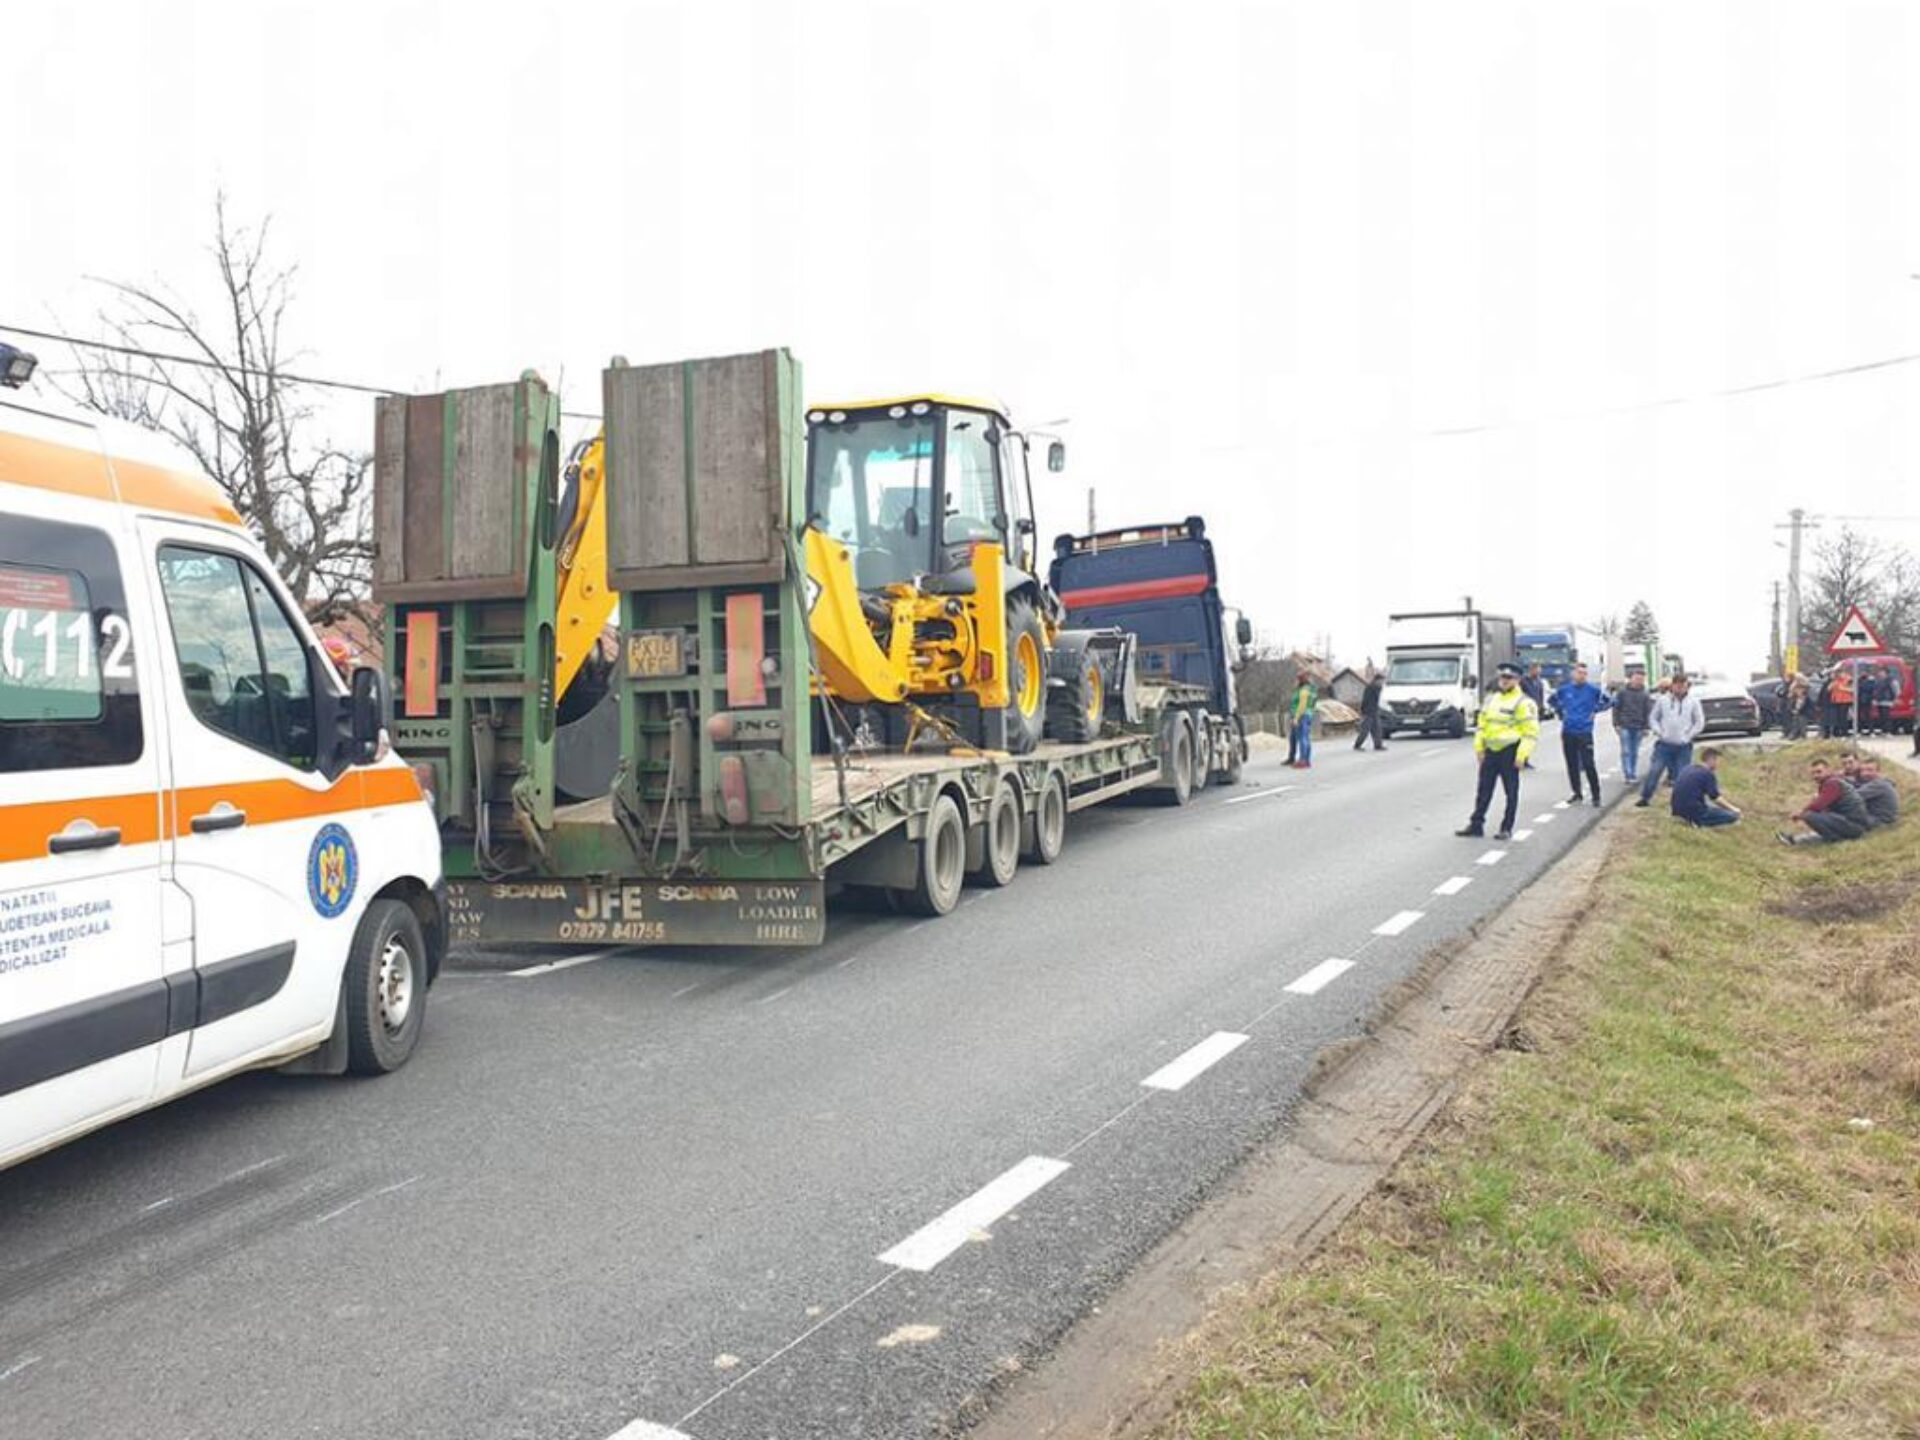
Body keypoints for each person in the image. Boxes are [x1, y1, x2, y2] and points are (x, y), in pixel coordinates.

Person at [1455, 662, 1540, 840]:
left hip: (1510, 750)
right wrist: (1479, 747)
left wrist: (1522, 755)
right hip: (1491, 750)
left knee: (1511, 791)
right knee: (1483, 790)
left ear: (1517, 680)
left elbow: (1530, 732)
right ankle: (1476, 824)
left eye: (1509, 678)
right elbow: (1482, 725)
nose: (1505, 681)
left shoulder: (1524, 703)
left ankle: (1506, 827)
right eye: (1502, 677)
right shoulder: (1491, 699)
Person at [1636, 673, 1705, 806]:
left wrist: (1689, 735)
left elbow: (1699, 721)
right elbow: (1653, 718)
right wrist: (1659, 732)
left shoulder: (1693, 702)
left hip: (1683, 746)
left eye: (1683, 686)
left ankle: (1681, 800)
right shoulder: (1663, 700)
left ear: (1687, 687)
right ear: (1672, 686)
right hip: (1664, 744)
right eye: (1677, 686)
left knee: (1682, 775)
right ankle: (1645, 797)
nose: (1680, 689)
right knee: (1655, 770)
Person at [1551, 661, 1612, 806]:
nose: (1582, 676)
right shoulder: (1565, 690)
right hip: (1568, 730)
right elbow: (1552, 700)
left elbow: (1609, 701)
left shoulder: (1593, 690)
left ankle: (1596, 795)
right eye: (1579, 673)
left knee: (1589, 764)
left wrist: (1595, 710)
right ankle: (1576, 792)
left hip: (1584, 731)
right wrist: (1561, 711)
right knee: (1572, 764)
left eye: (1584, 673)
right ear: (1573, 674)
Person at [1778, 756, 1872, 845]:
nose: (1816, 776)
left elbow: (1818, 805)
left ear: (1828, 770)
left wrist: (1800, 813)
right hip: (1850, 823)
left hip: (1854, 825)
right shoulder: (1832, 782)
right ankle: (1796, 839)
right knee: (1816, 816)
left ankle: (1834, 839)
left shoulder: (1832, 783)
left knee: (1809, 815)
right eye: (1813, 773)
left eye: (1819, 772)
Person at [1670, 747, 1740, 827]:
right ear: (1711, 759)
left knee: (1712, 808)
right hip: (1694, 812)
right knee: (1733, 816)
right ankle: (1696, 822)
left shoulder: (1688, 768)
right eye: (1717, 760)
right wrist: (1733, 809)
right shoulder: (1707, 773)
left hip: (1676, 811)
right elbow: (1715, 798)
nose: (1718, 764)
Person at [1613, 669, 1652, 783]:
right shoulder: (1622, 692)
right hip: (1625, 725)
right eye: (1636, 678)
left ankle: (1633, 772)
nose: (1638, 681)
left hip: (1639, 726)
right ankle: (1628, 774)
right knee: (1626, 751)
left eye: (1641, 679)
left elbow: (1647, 711)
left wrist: (1646, 727)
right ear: (1631, 678)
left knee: (1634, 751)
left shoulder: (1645, 694)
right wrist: (1616, 724)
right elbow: (1616, 709)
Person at [1855, 757, 1900, 829]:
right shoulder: (1882, 782)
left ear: (1878, 771)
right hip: (1883, 819)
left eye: (1869, 770)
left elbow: (1851, 797)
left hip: (1880, 821)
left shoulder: (1878, 784)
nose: (1865, 773)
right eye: (1862, 770)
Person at [1286, 673, 1317, 769]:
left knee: (1302, 738)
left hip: (1301, 715)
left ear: (1301, 680)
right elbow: (1313, 704)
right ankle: (1306, 760)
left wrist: (1296, 717)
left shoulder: (1304, 690)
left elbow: (1302, 705)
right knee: (1305, 738)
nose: (1295, 682)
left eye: (1297, 679)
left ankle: (1303, 760)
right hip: (1308, 714)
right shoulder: (1311, 690)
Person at [1519, 663, 1547, 767]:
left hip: (1535, 713)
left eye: (1539, 670)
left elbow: (1540, 696)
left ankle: (1526, 759)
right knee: (1522, 737)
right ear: (1531, 670)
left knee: (1531, 737)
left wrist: (1541, 709)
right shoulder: (1523, 681)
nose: (1538, 672)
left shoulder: (1539, 682)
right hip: (1525, 712)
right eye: (1536, 669)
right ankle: (1520, 759)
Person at [1353, 670, 1387, 752]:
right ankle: (1357, 745)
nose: (1382, 682)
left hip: (1374, 711)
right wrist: (1364, 711)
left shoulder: (1376, 687)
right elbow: (1366, 700)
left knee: (1377, 729)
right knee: (1365, 730)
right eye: (1381, 681)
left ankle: (1378, 745)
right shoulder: (1372, 687)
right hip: (1368, 711)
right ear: (1377, 680)